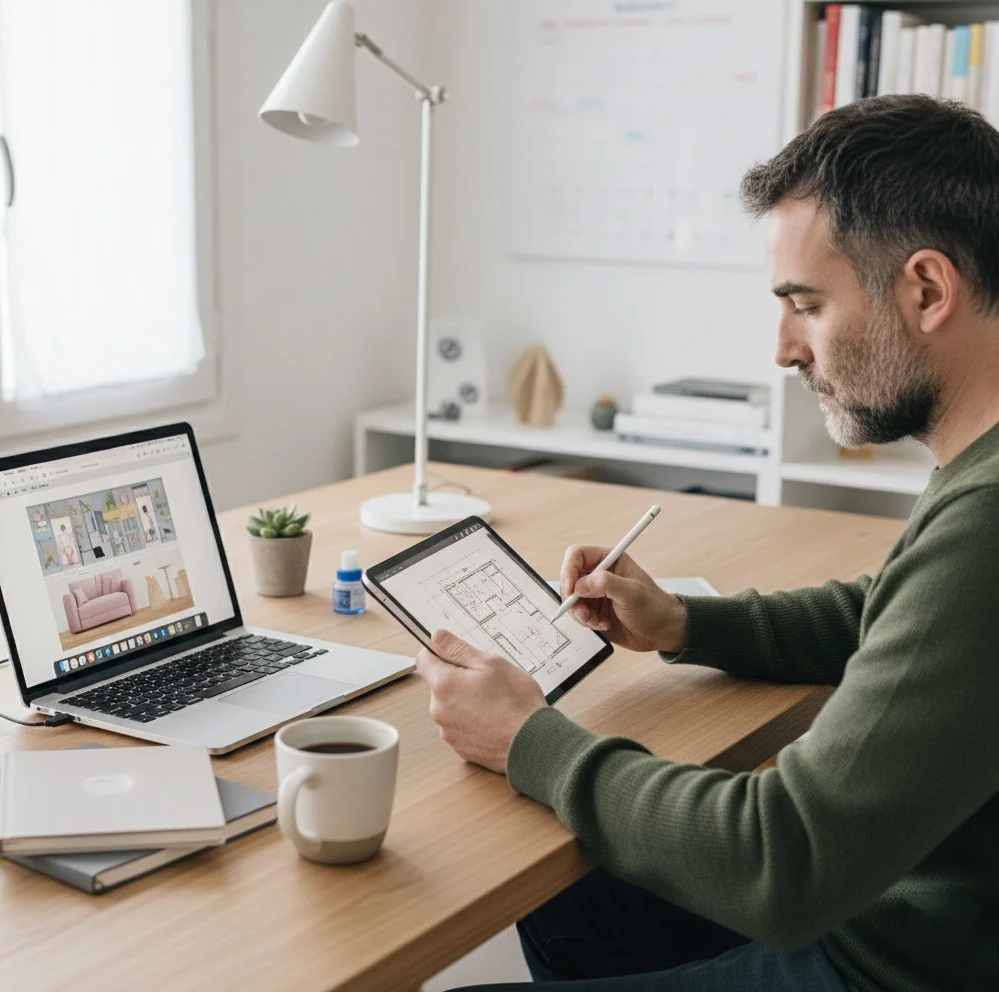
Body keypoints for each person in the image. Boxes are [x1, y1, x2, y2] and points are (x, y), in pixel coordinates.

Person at [416, 95, 999, 992]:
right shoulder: (978, 470)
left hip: (886, 963)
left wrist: (527, 738)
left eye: (805, 304)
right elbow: (891, 614)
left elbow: (783, 860)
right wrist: (686, 621)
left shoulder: (989, 523)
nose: (782, 349)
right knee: (563, 884)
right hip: (887, 914)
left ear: (928, 289)